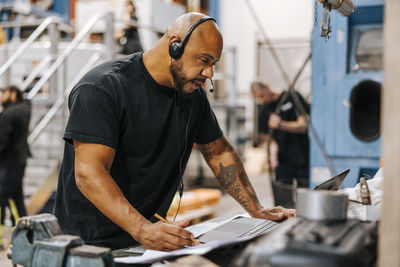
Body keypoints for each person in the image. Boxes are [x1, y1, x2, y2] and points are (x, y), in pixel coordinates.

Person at [54, 12, 295, 252]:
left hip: (140, 243)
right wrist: (142, 229)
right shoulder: (103, 88)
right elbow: (88, 173)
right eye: (204, 60)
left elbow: (218, 151)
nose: (210, 73)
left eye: (213, 64)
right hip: (87, 246)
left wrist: (255, 209)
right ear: (175, 45)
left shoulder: (193, 96)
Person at [251, 81, 310, 187]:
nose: (263, 100)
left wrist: (281, 125)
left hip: (302, 158)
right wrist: (273, 157)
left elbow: (303, 126)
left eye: (262, 95)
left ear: (266, 86)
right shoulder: (264, 111)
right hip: (282, 162)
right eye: (259, 98)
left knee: (304, 196)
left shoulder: (292, 96)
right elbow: (271, 139)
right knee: (283, 198)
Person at [0, 85, 31, 225]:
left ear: (13, 94)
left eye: (3, 93)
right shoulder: (24, 109)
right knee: (17, 198)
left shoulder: (8, 114)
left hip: (8, 163)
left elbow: (2, 142)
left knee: (2, 198)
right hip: (19, 161)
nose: (1, 96)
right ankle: (22, 234)